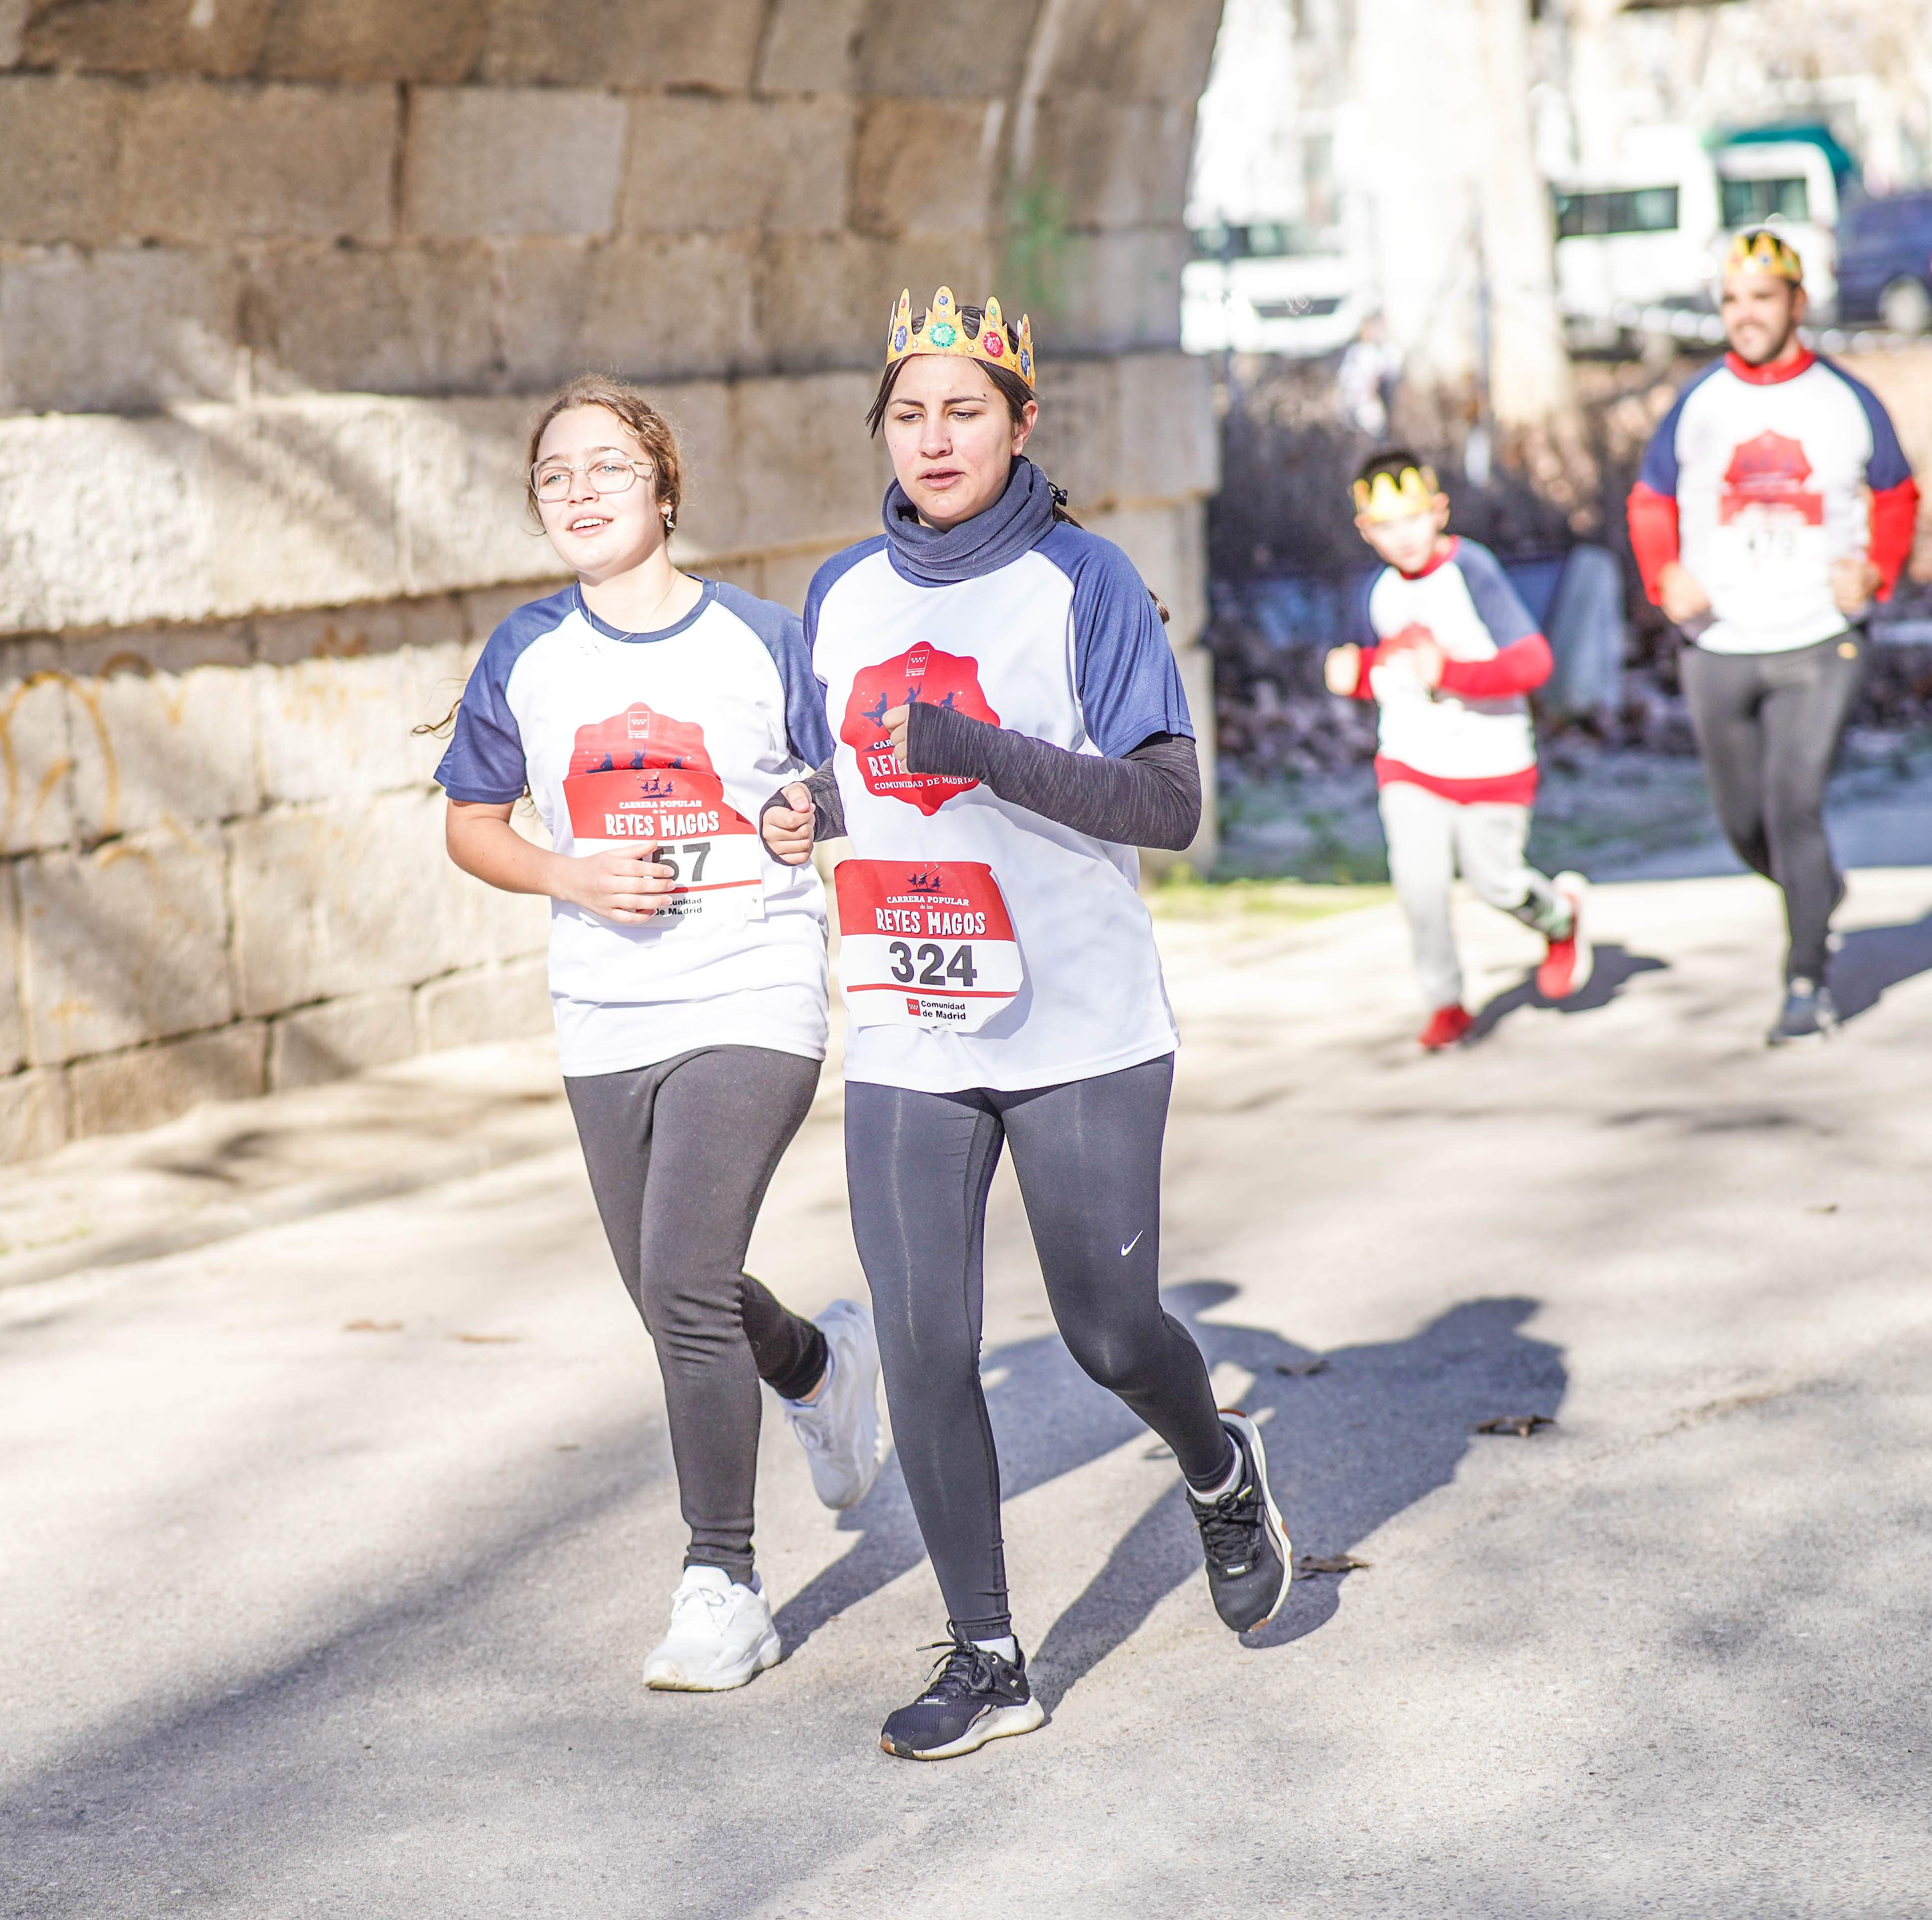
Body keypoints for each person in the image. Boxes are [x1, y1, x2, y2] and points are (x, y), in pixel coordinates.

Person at [757, 288, 1292, 1762]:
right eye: (909, 411)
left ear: (1018, 424)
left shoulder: (1083, 582)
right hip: (911, 1023)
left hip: (1078, 1025)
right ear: (882, 426)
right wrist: (802, 806)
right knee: (925, 1344)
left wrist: (974, 749)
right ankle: (988, 1655)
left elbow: (1169, 805)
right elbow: (841, 772)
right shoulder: (839, 592)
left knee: (1111, 1332)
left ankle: (1214, 1461)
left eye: (964, 411)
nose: (934, 438)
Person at [435, 375, 885, 1693]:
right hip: (604, 1010)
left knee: (683, 1285)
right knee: (670, 1291)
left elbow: (846, 774)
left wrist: (815, 809)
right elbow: (471, 824)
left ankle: (724, 1583)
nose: (578, 493)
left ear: (666, 492)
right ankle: (817, 1366)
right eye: (555, 478)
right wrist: (567, 876)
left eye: (606, 471)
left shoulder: (755, 636)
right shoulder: (527, 652)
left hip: (750, 991)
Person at [1627, 228, 1920, 1045]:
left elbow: (1897, 495)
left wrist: (1876, 573)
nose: (1744, 315)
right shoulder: (1699, 403)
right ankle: (1816, 887)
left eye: (1761, 298)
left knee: (1794, 805)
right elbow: (1649, 500)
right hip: (1716, 641)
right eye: (1730, 300)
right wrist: (1664, 578)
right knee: (1743, 822)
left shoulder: (1844, 400)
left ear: (1797, 302)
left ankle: (1805, 981)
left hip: (1819, 638)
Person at [1324, 449, 1589, 1048]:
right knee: (1419, 884)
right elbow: (1394, 672)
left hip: (1493, 761)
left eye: (1414, 518)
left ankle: (1561, 916)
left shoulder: (1474, 571)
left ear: (1440, 511)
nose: (1404, 537)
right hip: (1410, 761)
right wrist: (1357, 674)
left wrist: (1452, 672)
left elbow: (1534, 663)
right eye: (1386, 526)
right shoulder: (1378, 591)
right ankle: (1446, 1002)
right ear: (1365, 531)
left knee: (1497, 884)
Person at [1336, 312, 1398, 441]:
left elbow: (1383, 377)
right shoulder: (1354, 351)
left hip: (1369, 404)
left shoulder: (1383, 353)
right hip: (1352, 403)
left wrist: (1373, 392)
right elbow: (1345, 377)